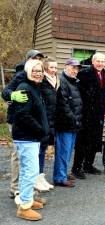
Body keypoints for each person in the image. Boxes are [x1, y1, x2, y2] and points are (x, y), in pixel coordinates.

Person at [2, 50, 45, 197]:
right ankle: (16, 189)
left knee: (29, 160)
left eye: (40, 59)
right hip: (17, 120)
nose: (37, 60)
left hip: (32, 122)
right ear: (28, 60)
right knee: (18, 156)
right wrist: (12, 95)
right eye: (35, 58)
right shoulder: (21, 74)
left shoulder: (40, 76)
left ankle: (29, 190)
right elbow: (5, 91)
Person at [12, 60, 48, 221]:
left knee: (28, 171)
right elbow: (22, 115)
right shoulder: (25, 88)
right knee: (30, 172)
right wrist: (39, 129)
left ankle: (27, 199)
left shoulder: (34, 87)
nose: (38, 73)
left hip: (31, 138)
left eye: (40, 70)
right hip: (26, 138)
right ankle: (24, 207)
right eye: (34, 70)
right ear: (27, 71)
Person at [72, 53, 105, 179]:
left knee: (94, 141)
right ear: (93, 61)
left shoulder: (103, 74)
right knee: (82, 142)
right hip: (86, 114)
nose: (100, 63)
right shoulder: (85, 73)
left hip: (98, 114)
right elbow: (80, 94)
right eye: (98, 61)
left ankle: (88, 165)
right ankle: (76, 168)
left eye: (102, 61)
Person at [53, 59, 83, 187]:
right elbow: (63, 105)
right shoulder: (63, 82)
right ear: (66, 67)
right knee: (63, 152)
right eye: (73, 68)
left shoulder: (73, 82)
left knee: (67, 151)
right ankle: (60, 177)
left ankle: (63, 173)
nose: (75, 71)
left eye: (77, 69)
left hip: (73, 124)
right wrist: (74, 120)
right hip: (65, 124)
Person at [34, 58, 59, 191]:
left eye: (56, 68)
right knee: (38, 151)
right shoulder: (42, 82)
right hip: (43, 120)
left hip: (51, 120)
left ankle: (41, 176)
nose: (54, 70)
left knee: (43, 150)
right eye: (51, 67)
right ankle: (35, 179)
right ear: (45, 68)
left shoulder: (56, 81)